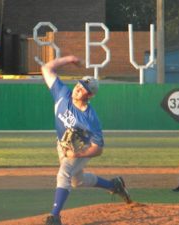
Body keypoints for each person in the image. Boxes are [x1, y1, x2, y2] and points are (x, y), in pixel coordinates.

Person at [41, 55, 132, 225]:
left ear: (89, 95)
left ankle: (54, 216)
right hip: (63, 145)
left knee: (64, 174)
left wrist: (77, 153)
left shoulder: (91, 119)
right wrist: (68, 59)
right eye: (78, 84)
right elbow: (46, 68)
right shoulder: (62, 93)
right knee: (77, 181)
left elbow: (98, 148)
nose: (77, 88)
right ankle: (114, 185)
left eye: (82, 88)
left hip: (82, 148)